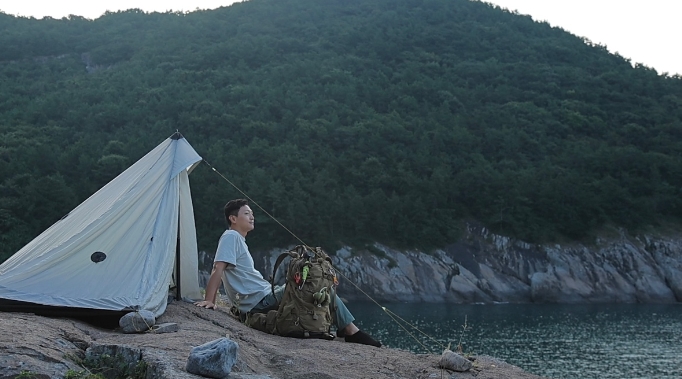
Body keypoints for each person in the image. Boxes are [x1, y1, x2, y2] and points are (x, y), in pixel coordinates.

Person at [195, 198, 381, 347]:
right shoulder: (231, 236)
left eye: (252, 214)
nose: (252, 217)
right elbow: (217, 268)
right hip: (259, 300)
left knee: (314, 291)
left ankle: (344, 328)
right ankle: (350, 331)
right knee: (315, 288)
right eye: (246, 213)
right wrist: (210, 300)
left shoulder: (238, 240)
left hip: (263, 296)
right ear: (233, 218)